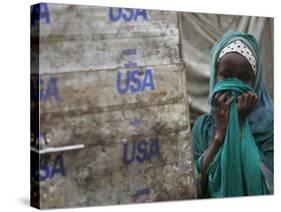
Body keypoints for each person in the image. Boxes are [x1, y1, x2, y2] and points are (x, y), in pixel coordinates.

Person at [191, 31, 273, 198]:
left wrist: (240, 125)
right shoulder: (202, 127)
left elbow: (269, 186)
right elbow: (197, 186)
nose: (234, 85)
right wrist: (219, 137)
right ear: (215, 76)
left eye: (244, 79)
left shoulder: (270, 127)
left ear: (255, 83)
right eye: (226, 76)